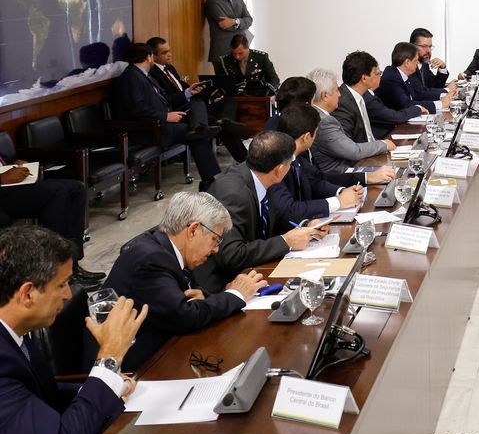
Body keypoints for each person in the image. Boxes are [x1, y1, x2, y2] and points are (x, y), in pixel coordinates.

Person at [0, 225, 147, 434]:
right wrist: (109, 358)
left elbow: (41, 396)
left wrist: (109, 385)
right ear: (27, 293)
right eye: (61, 284)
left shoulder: (16, 332)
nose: (69, 295)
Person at [84, 193, 265, 371]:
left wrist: (209, 296)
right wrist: (235, 294)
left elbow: (188, 298)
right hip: (131, 368)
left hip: (161, 347)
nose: (216, 249)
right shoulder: (151, 259)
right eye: (215, 239)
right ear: (193, 230)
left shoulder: (165, 246)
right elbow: (184, 316)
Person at [196, 131, 324, 293]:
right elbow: (231, 255)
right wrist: (286, 241)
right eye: (290, 163)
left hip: (251, 272)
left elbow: (275, 216)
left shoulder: (260, 176)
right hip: (219, 286)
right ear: (279, 170)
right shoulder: (233, 194)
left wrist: (306, 226)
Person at [111, 42, 223, 189]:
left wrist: (188, 93)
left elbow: (165, 100)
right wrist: (165, 116)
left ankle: (199, 127)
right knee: (194, 135)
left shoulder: (144, 75)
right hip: (152, 128)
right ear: (149, 57)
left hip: (163, 119)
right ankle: (208, 176)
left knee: (196, 102)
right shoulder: (131, 76)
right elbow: (137, 108)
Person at [272, 104, 395, 222]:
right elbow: (288, 209)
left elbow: (314, 181)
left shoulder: (295, 155)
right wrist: (338, 202)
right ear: (306, 137)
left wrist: (341, 192)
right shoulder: (276, 163)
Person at [0, 148, 103, 286]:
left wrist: (14, 164)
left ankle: (72, 264)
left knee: (77, 188)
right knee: (56, 192)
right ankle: (55, 268)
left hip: (10, 186)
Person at [147, 36, 247, 163]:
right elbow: (166, 100)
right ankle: (244, 158)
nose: (170, 55)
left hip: (195, 105)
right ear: (153, 56)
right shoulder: (152, 74)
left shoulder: (170, 68)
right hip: (180, 111)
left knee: (229, 100)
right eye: (165, 53)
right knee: (219, 125)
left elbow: (186, 89)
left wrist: (208, 97)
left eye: (170, 51)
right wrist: (188, 93)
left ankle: (226, 120)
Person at [310, 68, 393, 174]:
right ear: (325, 95)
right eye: (336, 90)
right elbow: (354, 151)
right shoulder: (324, 121)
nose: (339, 94)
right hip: (340, 176)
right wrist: (384, 144)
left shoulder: (319, 115)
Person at [334, 50, 417, 144]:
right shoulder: (343, 102)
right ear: (364, 78)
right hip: (363, 154)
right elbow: (348, 147)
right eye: (376, 74)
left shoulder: (360, 96)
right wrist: (382, 146)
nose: (380, 77)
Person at [380, 42, 450, 114]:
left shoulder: (404, 74)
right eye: (416, 61)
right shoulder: (392, 77)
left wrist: (444, 96)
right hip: (397, 124)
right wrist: (440, 104)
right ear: (407, 63)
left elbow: (418, 94)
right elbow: (406, 104)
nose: (417, 64)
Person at [204, 0, 253, 64]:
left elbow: (249, 20)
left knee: (243, 79)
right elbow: (225, 26)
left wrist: (235, 21)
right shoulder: (212, 1)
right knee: (225, 80)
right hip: (223, 52)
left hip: (241, 50)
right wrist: (241, 22)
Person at [212, 34, 280, 97]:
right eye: (234, 53)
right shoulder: (226, 61)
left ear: (247, 48)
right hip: (235, 98)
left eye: (240, 53)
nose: (237, 57)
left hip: (259, 95)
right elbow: (221, 82)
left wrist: (269, 93)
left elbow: (274, 79)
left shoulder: (261, 57)